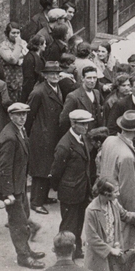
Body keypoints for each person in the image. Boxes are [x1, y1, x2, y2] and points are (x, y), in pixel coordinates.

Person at [0, 102, 45, 269]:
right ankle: (23, 257)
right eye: (18, 114)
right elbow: (5, 168)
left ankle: (27, 250)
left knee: (24, 217)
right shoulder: (9, 137)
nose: (22, 117)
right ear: (10, 116)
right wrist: (8, 194)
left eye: (24, 114)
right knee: (18, 223)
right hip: (11, 187)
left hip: (18, 184)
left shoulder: (19, 130)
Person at [49, 109, 95, 259]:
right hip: (70, 192)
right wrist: (60, 188)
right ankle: (64, 254)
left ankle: (76, 250)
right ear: (73, 124)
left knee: (78, 223)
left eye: (87, 123)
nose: (86, 127)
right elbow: (56, 172)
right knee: (69, 225)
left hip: (81, 190)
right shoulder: (65, 145)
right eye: (82, 124)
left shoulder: (81, 138)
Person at [99, 111, 135, 248]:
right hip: (121, 208)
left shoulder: (109, 141)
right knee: (126, 245)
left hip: (107, 198)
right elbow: (129, 191)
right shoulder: (127, 156)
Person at [26, 60, 64, 213]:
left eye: (57, 73)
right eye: (51, 74)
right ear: (45, 75)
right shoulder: (38, 92)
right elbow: (29, 116)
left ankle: (44, 197)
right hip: (42, 137)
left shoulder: (56, 88)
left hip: (52, 135)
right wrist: (27, 135)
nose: (55, 76)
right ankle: (36, 202)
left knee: (49, 167)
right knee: (40, 170)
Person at [61, 65, 104, 134]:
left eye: (94, 78)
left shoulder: (97, 93)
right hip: (82, 135)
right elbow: (64, 121)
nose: (92, 81)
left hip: (96, 135)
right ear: (82, 78)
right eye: (89, 78)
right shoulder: (73, 96)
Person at [0, 23, 28, 103]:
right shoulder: (3, 47)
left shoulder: (24, 43)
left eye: (18, 33)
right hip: (10, 80)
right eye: (13, 33)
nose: (16, 35)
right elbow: (13, 60)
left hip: (22, 79)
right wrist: (18, 44)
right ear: (7, 33)